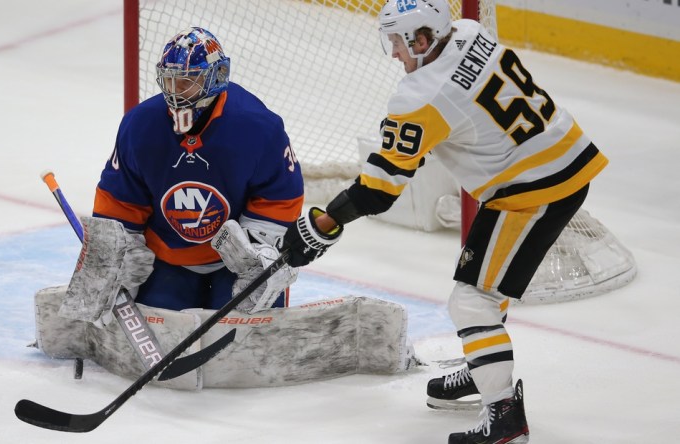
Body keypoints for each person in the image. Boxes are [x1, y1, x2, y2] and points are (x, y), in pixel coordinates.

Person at [280, 0, 608, 443]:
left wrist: (323, 223)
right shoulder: (471, 32)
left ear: (421, 39)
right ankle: (483, 367)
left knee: (472, 301)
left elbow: (378, 191)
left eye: (398, 41)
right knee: (486, 283)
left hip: (533, 190)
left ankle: (504, 417)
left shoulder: (419, 97)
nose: (394, 52)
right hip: (559, 156)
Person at [89, 27, 303, 314]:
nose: (177, 93)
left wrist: (257, 254)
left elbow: (279, 197)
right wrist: (117, 256)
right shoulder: (140, 125)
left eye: (189, 82)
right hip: (167, 256)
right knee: (159, 329)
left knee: (247, 345)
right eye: (171, 81)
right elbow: (119, 200)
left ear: (219, 77)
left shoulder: (258, 127)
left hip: (235, 263)